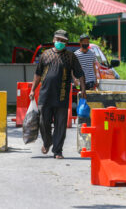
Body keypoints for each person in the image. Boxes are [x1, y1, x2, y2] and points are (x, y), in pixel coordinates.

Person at [29, 29, 86, 159]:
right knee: (44, 122)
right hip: (45, 95)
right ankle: (47, 142)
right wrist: (33, 89)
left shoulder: (71, 57)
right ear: (54, 40)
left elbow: (80, 73)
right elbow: (38, 74)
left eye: (63, 41)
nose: (60, 42)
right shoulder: (45, 55)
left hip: (62, 96)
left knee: (60, 125)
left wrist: (83, 89)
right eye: (58, 40)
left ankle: (57, 150)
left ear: (66, 43)